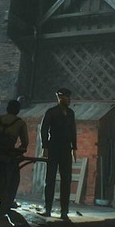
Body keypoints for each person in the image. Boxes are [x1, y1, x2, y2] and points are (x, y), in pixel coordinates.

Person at [0, 99, 29, 213]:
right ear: (18, 110)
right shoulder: (20, 123)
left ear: (7, 108)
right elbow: (25, 143)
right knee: (12, 178)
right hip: (8, 156)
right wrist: (17, 153)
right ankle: (6, 203)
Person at [39, 87, 76, 220]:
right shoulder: (51, 112)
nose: (69, 99)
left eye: (69, 97)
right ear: (60, 98)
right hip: (54, 147)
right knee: (50, 179)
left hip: (66, 149)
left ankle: (64, 212)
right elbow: (44, 129)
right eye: (67, 97)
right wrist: (45, 146)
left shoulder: (70, 113)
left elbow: (73, 130)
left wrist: (74, 147)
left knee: (66, 180)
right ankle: (47, 209)